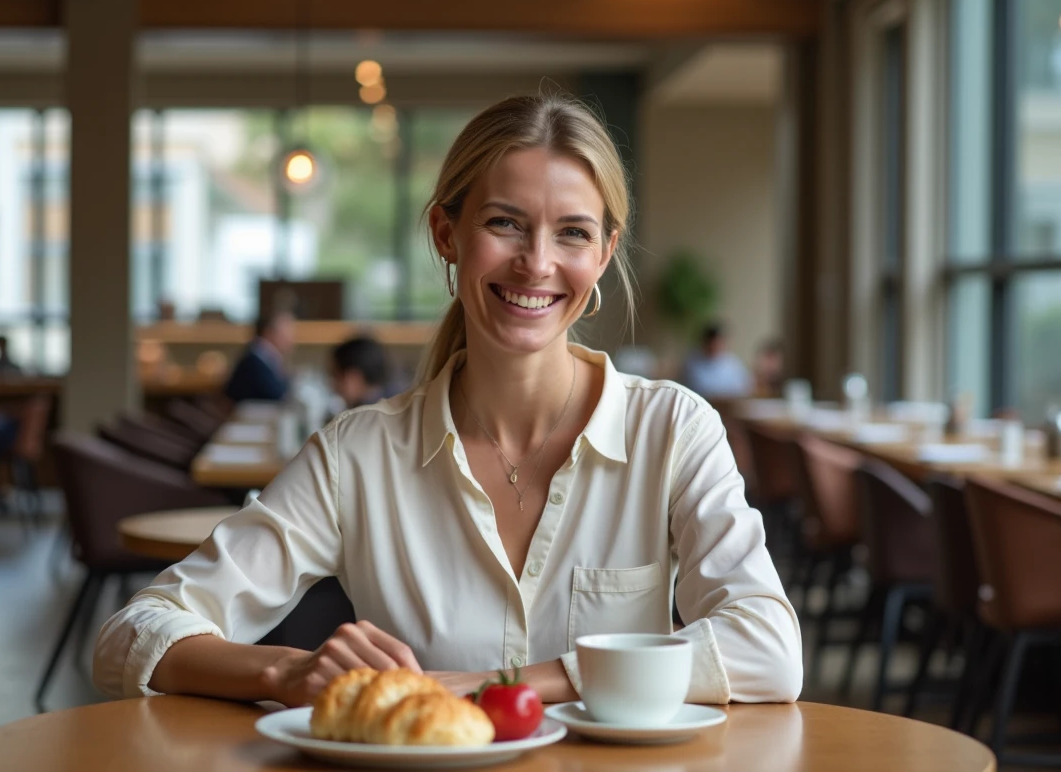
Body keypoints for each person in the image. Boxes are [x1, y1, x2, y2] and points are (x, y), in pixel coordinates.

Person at [94, 94, 801, 708]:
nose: (538, 262)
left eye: (573, 233)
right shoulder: (358, 455)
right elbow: (136, 632)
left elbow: (768, 649)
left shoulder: (672, 429)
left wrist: (511, 682)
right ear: (446, 233)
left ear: (604, 255)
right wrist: (288, 670)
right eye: (505, 223)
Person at [223, 310, 296, 402]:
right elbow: (278, 394)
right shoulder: (255, 360)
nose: (291, 337)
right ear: (269, 332)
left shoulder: (263, 356)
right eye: (287, 331)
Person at [683, 323, 753, 399]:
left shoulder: (733, 363)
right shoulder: (692, 362)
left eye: (718, 343)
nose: (714, 346)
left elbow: (745, 387)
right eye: (712, 343)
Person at [330, 336, 389, 410]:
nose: (333, 386)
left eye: (336, 376)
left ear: (353, 377)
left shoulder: (360, 416)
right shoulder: (394, 405)